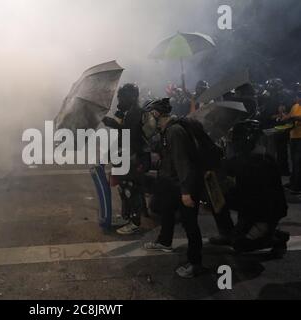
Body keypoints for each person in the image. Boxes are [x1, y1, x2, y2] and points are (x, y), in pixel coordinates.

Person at [142, 99, 205, 278]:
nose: (147, 120)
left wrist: (186, 192)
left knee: (190, 224)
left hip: (183, 185)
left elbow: (182, 161)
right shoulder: (166, 130)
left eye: (149, 115)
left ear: (156, 114)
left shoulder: (175, 131)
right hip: (171, 183)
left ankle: (195, 263)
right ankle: (164, 242)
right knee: (166, 211)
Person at [210, 120, 290, 257]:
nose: (234, 143)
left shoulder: (260, 161)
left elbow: (261, 198)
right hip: (251, 207)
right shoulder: (252, 158)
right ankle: (230, 233)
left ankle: (276, 237)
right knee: (215, 199)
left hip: (264, 212)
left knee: (240, 244)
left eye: (236, 139)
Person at [102, 83, 150, 235]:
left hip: (135, 157)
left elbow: (131, 134)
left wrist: (113, 124)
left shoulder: (137, 113)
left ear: (132, 97)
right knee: (123, 187)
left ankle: (135, 222)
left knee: (132, 188)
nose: (119, 100)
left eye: (122, 97)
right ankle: (126, 216)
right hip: (124, 155)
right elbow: (120, 133)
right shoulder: (127, 111)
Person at [283, 90, 301, 194]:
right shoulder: (295, 106)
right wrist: (284, 116)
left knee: (298, 162)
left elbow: (296, 117)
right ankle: (293, 182)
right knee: (294, 162)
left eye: (298, 97)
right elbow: (289, 116)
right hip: (293, 136)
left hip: (300, 138)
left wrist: (293, 118)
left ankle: (297, 186)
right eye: (297, 97)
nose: (297, 99)